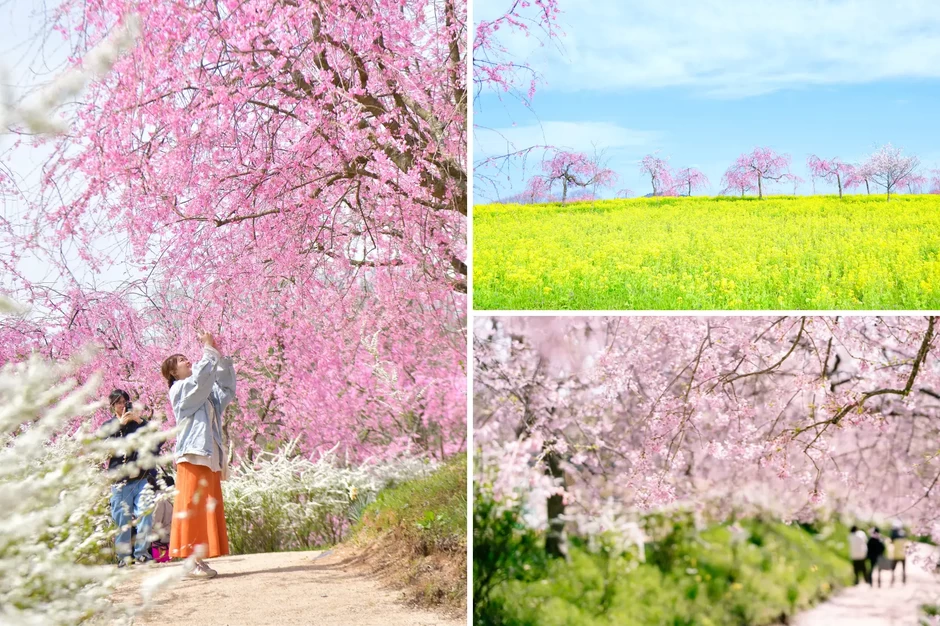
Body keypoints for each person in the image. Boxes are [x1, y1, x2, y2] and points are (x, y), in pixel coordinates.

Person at [161, 331, 236, 579]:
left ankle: (198, 560)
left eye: (186, 357)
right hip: (193, 454)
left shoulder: (202, 394)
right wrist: (207, 349)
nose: (187, 361)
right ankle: (190, 560)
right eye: (181, 360)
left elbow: (225, 390)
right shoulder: (181, 390)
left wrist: (220, 358)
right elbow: (201, 381)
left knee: (204, 509)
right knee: (192, 508)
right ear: (173, 372)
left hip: (208, 456)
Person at [102, 389, 157, 566]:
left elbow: (155, 439)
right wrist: (120, 426)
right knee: (122, 520)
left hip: (141, 477)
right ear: (112, 406)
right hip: (120, 481)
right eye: (118, 402)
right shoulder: (109, 426)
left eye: (124, 401)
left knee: (146, 514)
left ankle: (142, 553)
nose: (122, 405)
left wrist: (139, 421)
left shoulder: (138, 423)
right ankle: (124, 557)